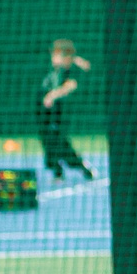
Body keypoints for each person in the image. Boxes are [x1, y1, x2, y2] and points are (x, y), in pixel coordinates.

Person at [36, 39, 93, 181]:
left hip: (57, 113)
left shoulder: (69, 71)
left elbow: (70, 86)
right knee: (48, 141)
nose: (54, 57)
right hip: (43, 114)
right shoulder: (52, 69)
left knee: (59, 142)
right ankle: (57, 170)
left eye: (57, 54)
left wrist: (51, 96)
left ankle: (80, 166)